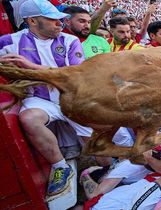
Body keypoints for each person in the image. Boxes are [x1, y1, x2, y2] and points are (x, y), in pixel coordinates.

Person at [0, 0, 92, 196]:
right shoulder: (10, 41)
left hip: (73, 99)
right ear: (32, 21)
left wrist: (29, 66)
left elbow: (75, 74)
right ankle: (60, 167)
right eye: (53, 20)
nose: (60, 24)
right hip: (40, 100)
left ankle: (106, 169)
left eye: (60, 20)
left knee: (101, 154)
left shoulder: (70, 41)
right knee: (29, 117)